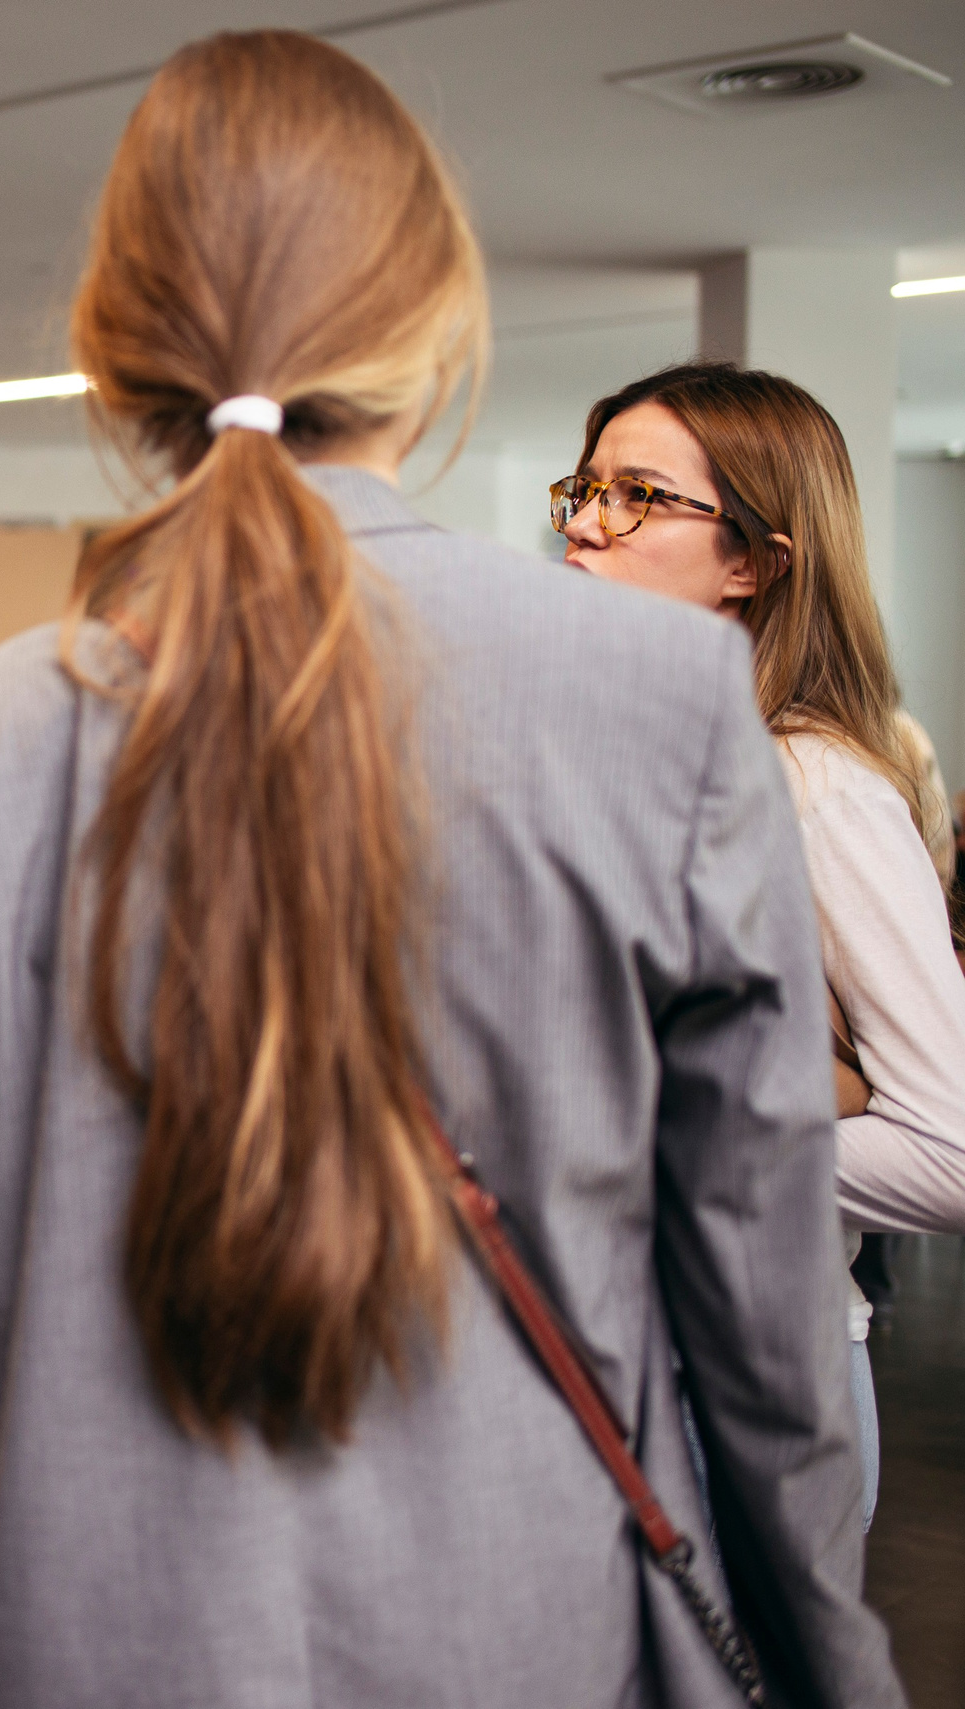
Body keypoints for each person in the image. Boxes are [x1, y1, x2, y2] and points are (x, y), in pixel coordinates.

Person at [0, 31, 896, 1709]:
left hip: (100, 1643)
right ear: (433, 332)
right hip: (529, 1625)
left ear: (118, 353)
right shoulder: (667, 705)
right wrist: (840, 1670)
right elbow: (766, 1339)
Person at [557, 360, 965, 1532]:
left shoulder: (810, 782)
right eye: (585, 489)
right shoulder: (636, 759)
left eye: (638, 494)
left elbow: (946, 1143)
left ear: (752, 560)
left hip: (738, 1379)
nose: (586, 525)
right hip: (599, 1359)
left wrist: (664, 1139)